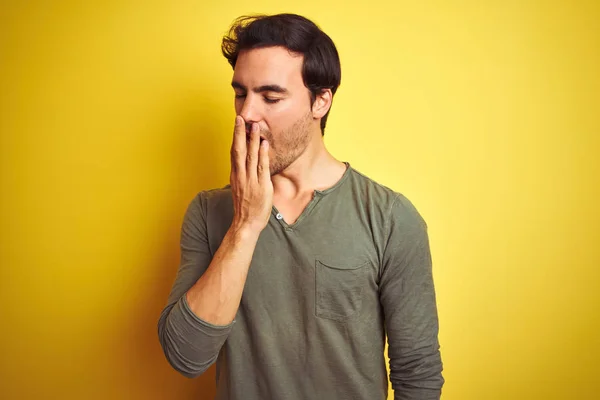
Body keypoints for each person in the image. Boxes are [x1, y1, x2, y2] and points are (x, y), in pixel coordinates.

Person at [158, 13, 444, 400]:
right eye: (241, 93)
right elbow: (186, 356)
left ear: (320, 102)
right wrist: (244, 225)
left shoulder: (390, 218)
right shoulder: (209, 213)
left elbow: (418, 374)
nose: (246, 114)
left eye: (271, 97)